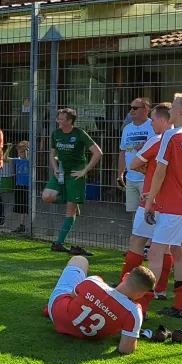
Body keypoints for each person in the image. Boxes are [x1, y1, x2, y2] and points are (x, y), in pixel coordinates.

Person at [141, 93, 182, 318]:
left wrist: (149, 203)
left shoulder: (170, 135)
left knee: (156, 253)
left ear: (180, 112)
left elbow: (160, 173)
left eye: (174, 105)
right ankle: (180, 306)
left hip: (172, 205)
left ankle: (143, 307)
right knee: (179, 252)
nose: (169, 109)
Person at [43, 255, 156, 355]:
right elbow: (125, 349)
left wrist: (96, 301)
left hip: (57, 313)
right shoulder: (133, 311)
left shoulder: (93, 281)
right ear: (140, 294)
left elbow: (72, 296)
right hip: (86, 334)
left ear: (125, 276)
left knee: (79, 260)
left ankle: (48, 308)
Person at [119, 103, 174, 300]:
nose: (150, 124)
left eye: (152, 119)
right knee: (165, 246)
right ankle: (161, 290)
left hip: (152, 200)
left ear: (162, 119)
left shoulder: (156, 140)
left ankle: (124, 286)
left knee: (137, 241)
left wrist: (146, 168)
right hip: (175, 204)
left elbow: (134, 164)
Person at [42, 108, 102, 255]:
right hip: (62, 172)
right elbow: (53, 154)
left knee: (70, 211)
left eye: (61, 119)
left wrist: (84, 171)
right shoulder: (56, 134)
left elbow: (98, 153)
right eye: (58, 118)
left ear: (70, 121)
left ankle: (59, 243)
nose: (58, 121)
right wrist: (55, 168)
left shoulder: (79, 133)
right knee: (47, 196)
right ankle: (71, 199)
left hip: (76, 175)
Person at [117, 98, 155, 217]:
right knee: (135, 214)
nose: (131, 111)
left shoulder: (153, 125)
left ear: (146, 110)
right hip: (131, 178)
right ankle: (136, 235)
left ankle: (150, 236)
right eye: (131, 108)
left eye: (135, 108)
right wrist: (120, 175)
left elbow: (160, 148)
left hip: (147, 178)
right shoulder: (127, 129)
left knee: (150, 212)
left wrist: (146, 146)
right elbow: (123, 152)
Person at [4, 141, 30, 234]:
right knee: (21, 206)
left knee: (28, 205)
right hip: (19, 185)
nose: (21, 154)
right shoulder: (17, 160)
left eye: (23, 151)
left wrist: (27, 151)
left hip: (28, 186)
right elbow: (5, 158)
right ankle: (22, 225)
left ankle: (30, 225)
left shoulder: (29, 160)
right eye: (19, 152)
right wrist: (9, 148)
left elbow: (28, 157)